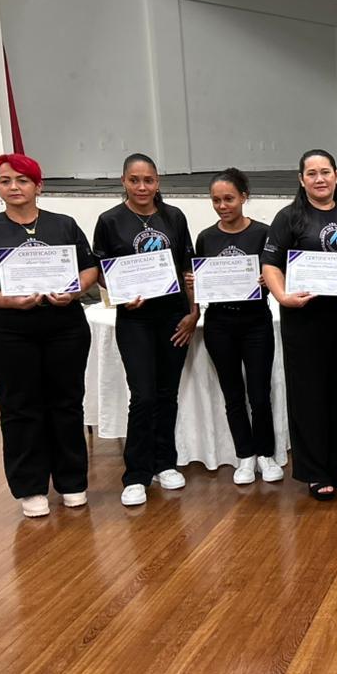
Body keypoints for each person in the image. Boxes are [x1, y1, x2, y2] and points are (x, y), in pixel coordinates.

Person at [0, 154, 98, 518]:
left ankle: (71, 481)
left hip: (65, 328)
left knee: (66, 404)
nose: (14, 187)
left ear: (39, 185)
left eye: (22, 180)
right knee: (20, 408)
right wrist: (6, 300)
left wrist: (75, 290)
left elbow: (89, 268)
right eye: (6, 181)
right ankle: (30, 486)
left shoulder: (63, 225)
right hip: (10, 332)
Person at [93, 153, 198, 507]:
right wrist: (121, 300)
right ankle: (136, 474)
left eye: (148, 180)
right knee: (143, 396)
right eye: (134, 180)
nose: (142, 187)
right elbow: (101, 273)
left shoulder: (174, 217)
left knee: (168, 394)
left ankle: (164, 463)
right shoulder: (109, 221)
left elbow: (188, 270)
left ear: (158, 182)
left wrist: (193, 314)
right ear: (123, 181)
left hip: (173, 318)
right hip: (135, 319)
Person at [262, 149, 337, 501]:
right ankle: (315, 470)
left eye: (325, 172)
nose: (320, 179)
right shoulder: (288, 217)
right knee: (309, 395)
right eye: (312, 173)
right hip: (303, 319)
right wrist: (282, 296)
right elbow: (270, 265)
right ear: (302, 180)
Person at [191, 168, 283, 485]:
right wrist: (195, 282)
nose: (222, 206)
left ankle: (266, 454)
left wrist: (267, 280)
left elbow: (279, 272)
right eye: (216, 200)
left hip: (256, 322)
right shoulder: (206, 237)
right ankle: (244, 455)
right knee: (233, 394)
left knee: (259, 393)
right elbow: (199, 281)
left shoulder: (264, 234)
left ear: (244, 197)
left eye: (229, 198)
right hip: (219, 323)